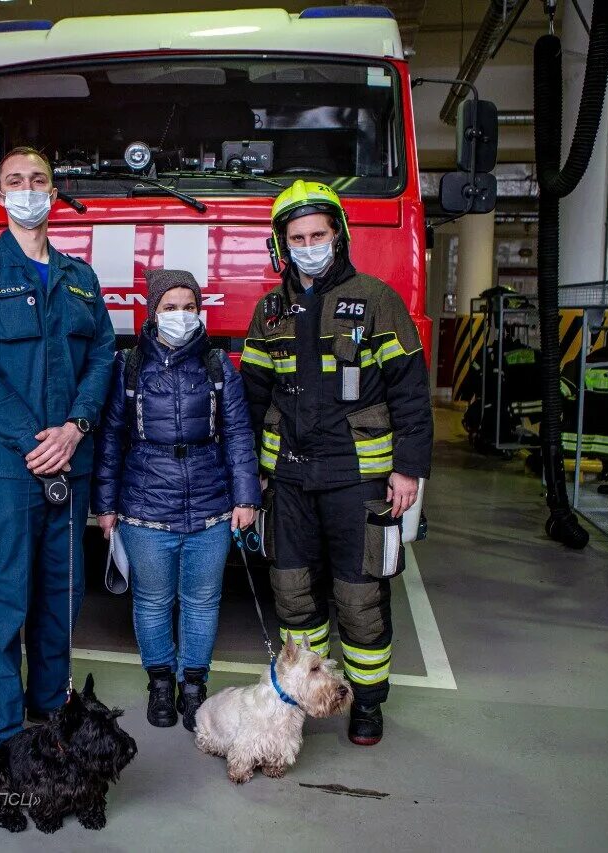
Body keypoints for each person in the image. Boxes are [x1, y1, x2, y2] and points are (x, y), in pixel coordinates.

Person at [240, 180, 432, 747]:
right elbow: (251, 399)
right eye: (296, 237)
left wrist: (407, 469)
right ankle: (309, 694)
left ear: (338, 235)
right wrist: (249, 472)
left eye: (318, 234)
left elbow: (410, 394)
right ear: (281, 245)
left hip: (358, 479)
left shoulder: (377, 300)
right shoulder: (269, 311)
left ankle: (367, 705)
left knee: (360, 597)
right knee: (295, 595)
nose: (308, 245)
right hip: (291, 480)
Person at [0, 147, 115, 752]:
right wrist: (32, 439)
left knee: (61, 595)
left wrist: (75, 427)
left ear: (54, 191)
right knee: (2, 597)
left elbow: (101, 357)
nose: (27, 189)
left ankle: (50, 707)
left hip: (69, 461)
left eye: (38, 180)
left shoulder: (80, 278)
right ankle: (4, 731)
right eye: (14, 181)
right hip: (10, 469)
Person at [93, 269, 261, 732]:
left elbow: (238, 435)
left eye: (190, 306)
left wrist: (246, 497)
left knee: (202, 602)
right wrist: (105, 506)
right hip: (144, 509)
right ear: (152, 312)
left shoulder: (217, 365)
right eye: (170, 307)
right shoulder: (128, 366)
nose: (181, 316)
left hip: (211, 507)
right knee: (151, 601)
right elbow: (110, 439)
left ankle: (194, 688)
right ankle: (161, 685)